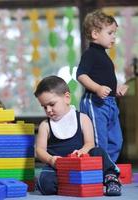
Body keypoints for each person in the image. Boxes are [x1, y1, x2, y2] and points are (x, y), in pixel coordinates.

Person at [34, 76, 121, 196]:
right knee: (45, 184)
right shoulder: (45, 125)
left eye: (52, 104)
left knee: (98, 151)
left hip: (81, 163)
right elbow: (39, 150)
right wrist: (50, 159)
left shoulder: (83, 119)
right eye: (44, 107)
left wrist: (82, 151)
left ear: (67, 98)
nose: (48, 110)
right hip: (57, 166)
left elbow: (89, 143)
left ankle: (111, 178)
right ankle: (68, 184)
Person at [76, 10, 128, 163]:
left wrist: (116, 87)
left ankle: (107, 168)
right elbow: (81, 75)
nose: (114, 36)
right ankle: (98, 170)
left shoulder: (104, 56)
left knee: (116, 141)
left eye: (115, 33)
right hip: (95, 103)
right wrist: (97, 88)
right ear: (95, 34)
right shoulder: (90, 54)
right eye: (110, 32)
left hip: (110, 104)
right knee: (100, 141)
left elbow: (105, 77)